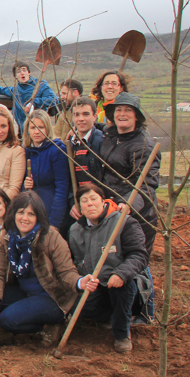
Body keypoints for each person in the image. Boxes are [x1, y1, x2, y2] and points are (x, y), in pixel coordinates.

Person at [0, 191, 99, 346]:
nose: (24, 218)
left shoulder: (51, 237)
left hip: (51, 296)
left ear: (38, 217)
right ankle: (4, 330)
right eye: (21, 212)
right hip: (24, 292)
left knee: (7, 319)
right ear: (13, 214)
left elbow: (66, 271)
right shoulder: (6, 238)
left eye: (31, 214)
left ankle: (49, 326)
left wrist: (80, 282)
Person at [97, 93, 160, 324]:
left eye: (128, 110)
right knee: (115, 259)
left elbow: (147, 185)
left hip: (137, 215)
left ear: (136, 117)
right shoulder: (110, 136)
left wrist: (128, 204)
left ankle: (146, 311)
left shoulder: (144, 145)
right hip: (111, 210)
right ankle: (115, 310)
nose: (122, 114)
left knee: (138, 262)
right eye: (118, 110)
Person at [69, 183, 149, 353]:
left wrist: (121, 273)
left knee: (123, 288)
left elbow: (139, 255)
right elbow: (75, 262)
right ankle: (107, 317)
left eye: (93, 199)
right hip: (96, 286)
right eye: (84, 201)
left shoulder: (123, 222)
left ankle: (121, 333)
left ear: (103, 200)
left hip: (123, 284)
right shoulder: (75, 231)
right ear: (79, 207)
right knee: (77, 308)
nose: (90, 203)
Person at [22, 109, 70, 229]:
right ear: (27, 130)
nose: (36, 132)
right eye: (33, 127)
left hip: (50, 211)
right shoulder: (25, 152)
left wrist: (55, 222)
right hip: (30, 212)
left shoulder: (57, 150)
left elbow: (62, 188)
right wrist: (25, 186)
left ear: (47, 128)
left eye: (41, 127)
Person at [0, 61, 58, 133]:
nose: (22, 73)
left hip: (38, 129)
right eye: (18, 71)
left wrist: (34, 102)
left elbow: (53, 99)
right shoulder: (15, 90)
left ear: (29, 73)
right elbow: (0, 89)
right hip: (19, 131)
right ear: (15, 76)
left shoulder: (40, 85)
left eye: (24, 70)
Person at [66, 97, 104, 191]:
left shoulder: (101, 141)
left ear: (94, 117)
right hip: (77, 198)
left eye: (86, 114)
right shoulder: (70, 143)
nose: (81, 119)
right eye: (76, 115)